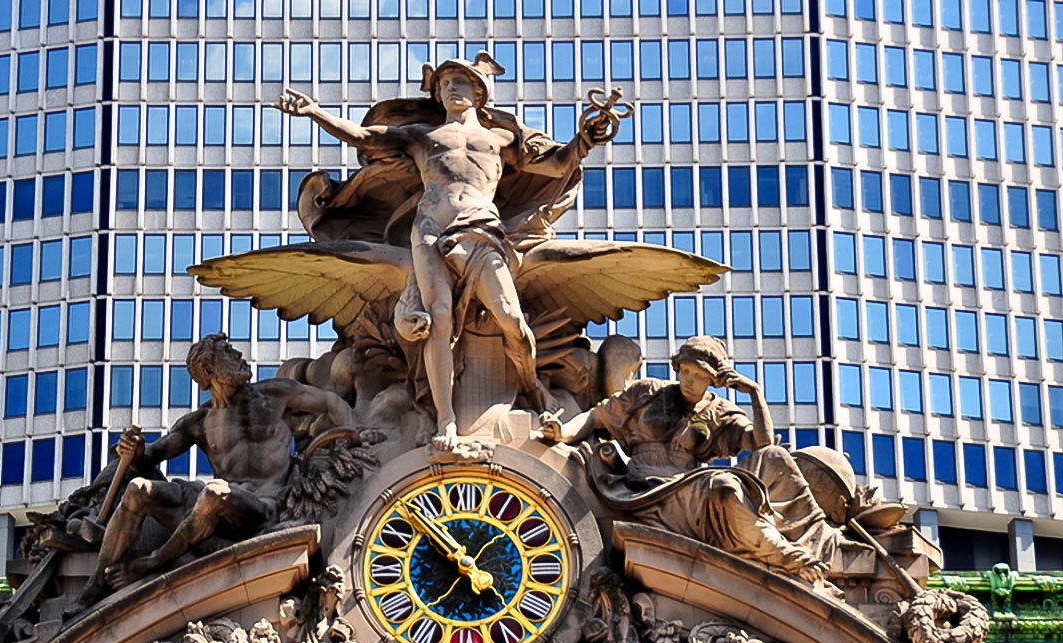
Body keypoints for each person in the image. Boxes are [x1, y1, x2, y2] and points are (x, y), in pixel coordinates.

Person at [273, 53, 611, 450]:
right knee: (438, 321)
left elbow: (557, 165)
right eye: (445, 83)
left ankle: (531, 384)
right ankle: (445, 419)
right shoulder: (422, 136)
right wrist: (316, 113)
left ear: (480, 92)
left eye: (461, 81)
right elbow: (365, 138)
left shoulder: (500, 139)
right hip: (430, 231)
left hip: (481, 230)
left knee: (513, 321)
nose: (451, 88)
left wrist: (585, 139)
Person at [538, 335, 842, 589]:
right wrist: (562, 433)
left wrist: (755, 394)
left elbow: (761, 444)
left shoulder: (719, 411)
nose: (690, 381)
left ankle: (809, 538)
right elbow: (597, 416)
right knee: (723, 485)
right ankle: (780, 552)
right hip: (640, 487)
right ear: (677, 368)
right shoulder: (648, 392)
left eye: (700, 376)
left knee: (772, 458)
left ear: (714, 380)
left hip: (688, 487)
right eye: (685, 372)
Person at [76, 333, 352, 603]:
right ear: (209, 370)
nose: (240, 357)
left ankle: (152, 562)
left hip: (264, 506)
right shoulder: (199, 422)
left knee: (214, 493)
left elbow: (331, 402)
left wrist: (356, 435)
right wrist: (135, 451)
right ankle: (96, 584)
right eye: (229, 354)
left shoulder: (274, 394)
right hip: (217, 515)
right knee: (138, 489)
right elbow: (152, 456)